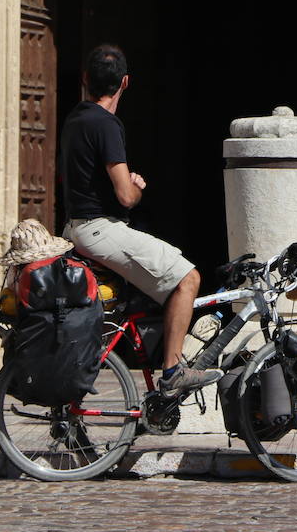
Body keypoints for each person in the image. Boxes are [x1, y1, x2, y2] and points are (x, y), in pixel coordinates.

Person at [59, 43, 221, 397]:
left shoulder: (76, 118)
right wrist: (136, 186)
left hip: (77, 227)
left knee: (167, 263)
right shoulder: (106, 125)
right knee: (188, 279)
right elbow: (125, 196)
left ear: (85, 79)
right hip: (100, 229)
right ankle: (174, 370)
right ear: (126, 83)